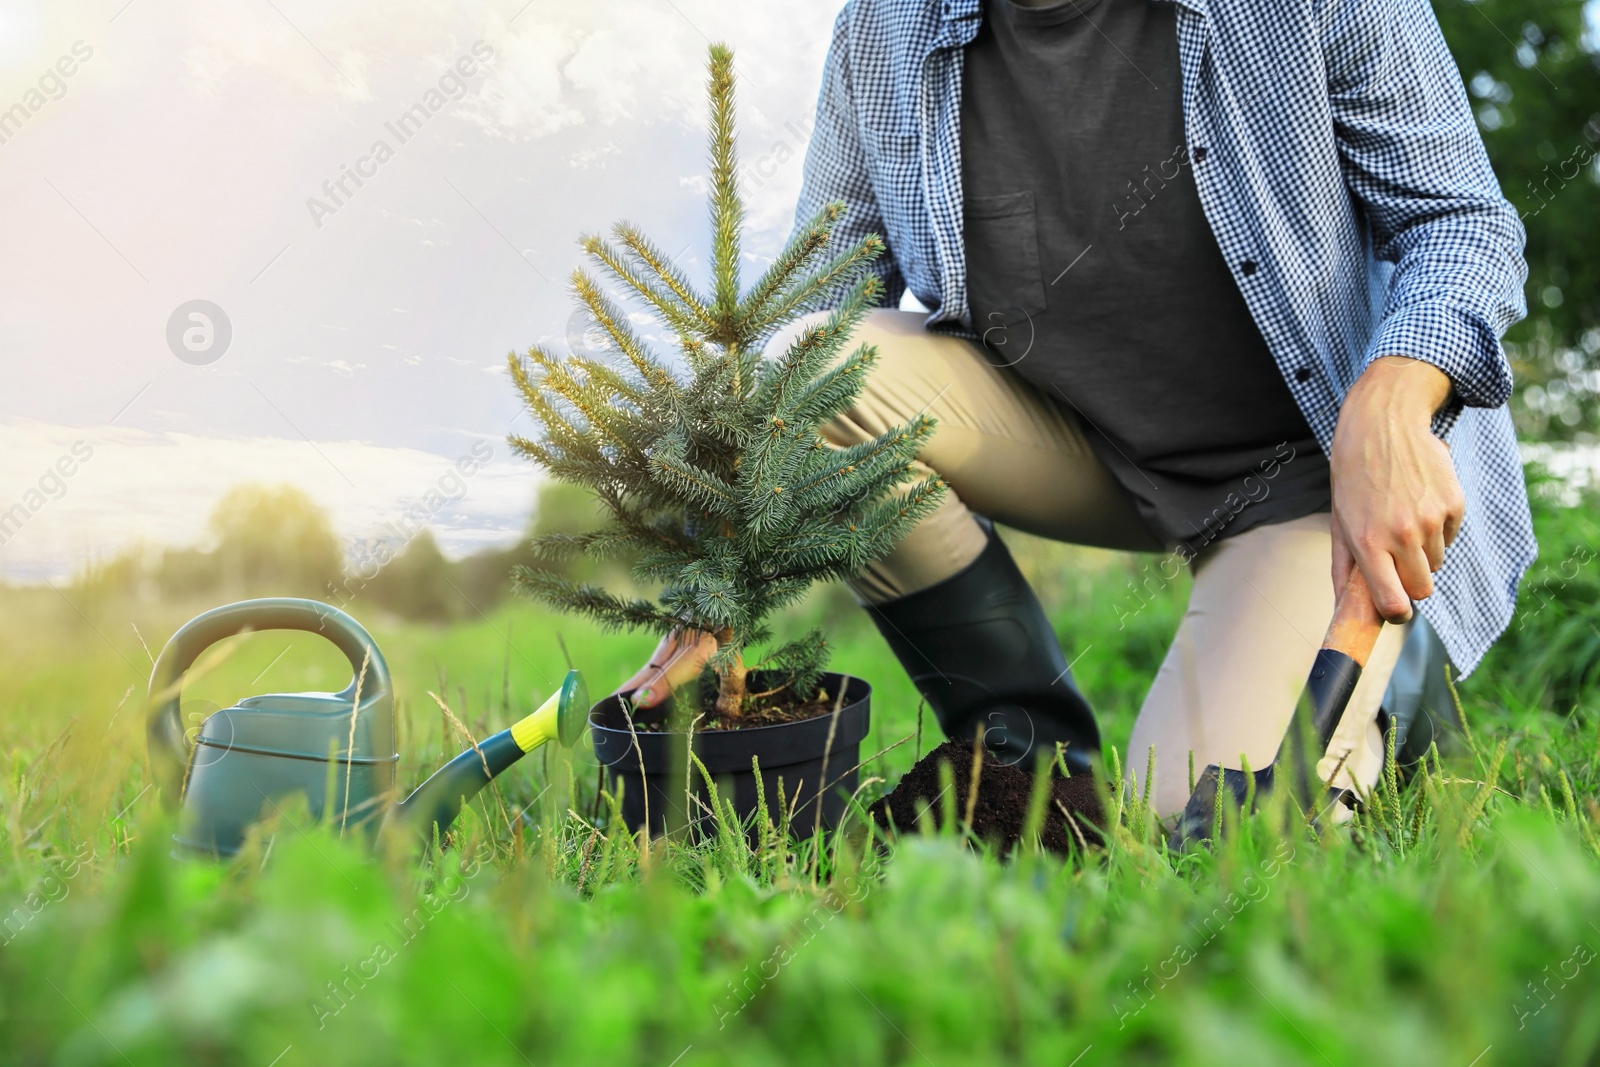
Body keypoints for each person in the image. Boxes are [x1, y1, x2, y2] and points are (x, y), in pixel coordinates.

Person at [619, 0, 1534, 818]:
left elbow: (1461, 223)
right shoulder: (887, 26)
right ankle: (1023, 754)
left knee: (1194, 822)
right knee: (803, 370)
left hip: (1308, 472)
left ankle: (1391, 675)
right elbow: (821, 292)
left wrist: (1390, 398)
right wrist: (728, 556)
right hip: (1082, 446)